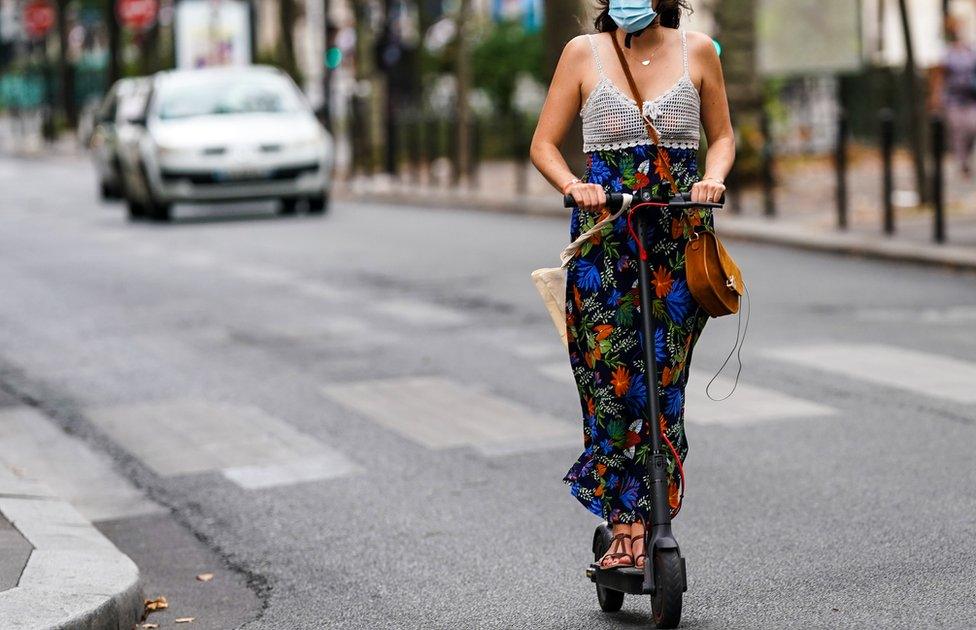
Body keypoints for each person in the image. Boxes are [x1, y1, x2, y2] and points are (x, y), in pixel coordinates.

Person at [530, 0, 734, 570]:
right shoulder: (580, 54)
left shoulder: (697, 51)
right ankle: (625, 524)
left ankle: (654, 513)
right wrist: (575, 185)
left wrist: (712, 180)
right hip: (605, 238)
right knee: (610, 380)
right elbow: (543, 144)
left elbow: (721, 138)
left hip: (676, 236)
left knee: (664, 381)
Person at [930, 17, 976, 177]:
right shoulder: (945, 52)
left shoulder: (970, 50)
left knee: (972, 127)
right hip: (953, 100)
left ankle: (966, 157)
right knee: (958, 131)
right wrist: (936, 97)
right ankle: (962, 163)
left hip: (971, 98)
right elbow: (939, 76)